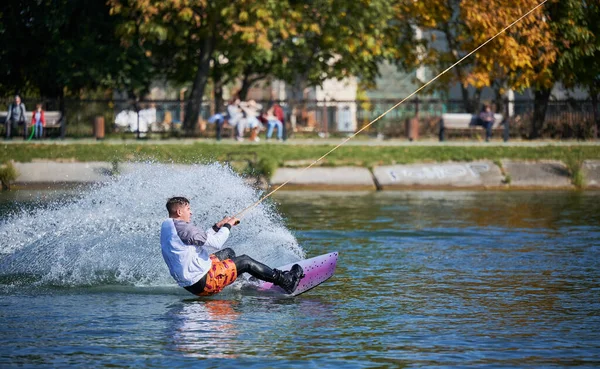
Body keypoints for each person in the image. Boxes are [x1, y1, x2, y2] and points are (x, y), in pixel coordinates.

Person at [160, 197, 304, 296]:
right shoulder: (184, 229)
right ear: (179, 212)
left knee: (228, 253)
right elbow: (216, 243)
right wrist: (228, 225)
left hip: (191, 282)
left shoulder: (169, 226)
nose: (191, 212)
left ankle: (241, 284)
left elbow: (200, 239)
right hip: (204, 283)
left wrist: (218, 226)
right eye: (188, 209)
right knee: (245, 261)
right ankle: (286, 281)